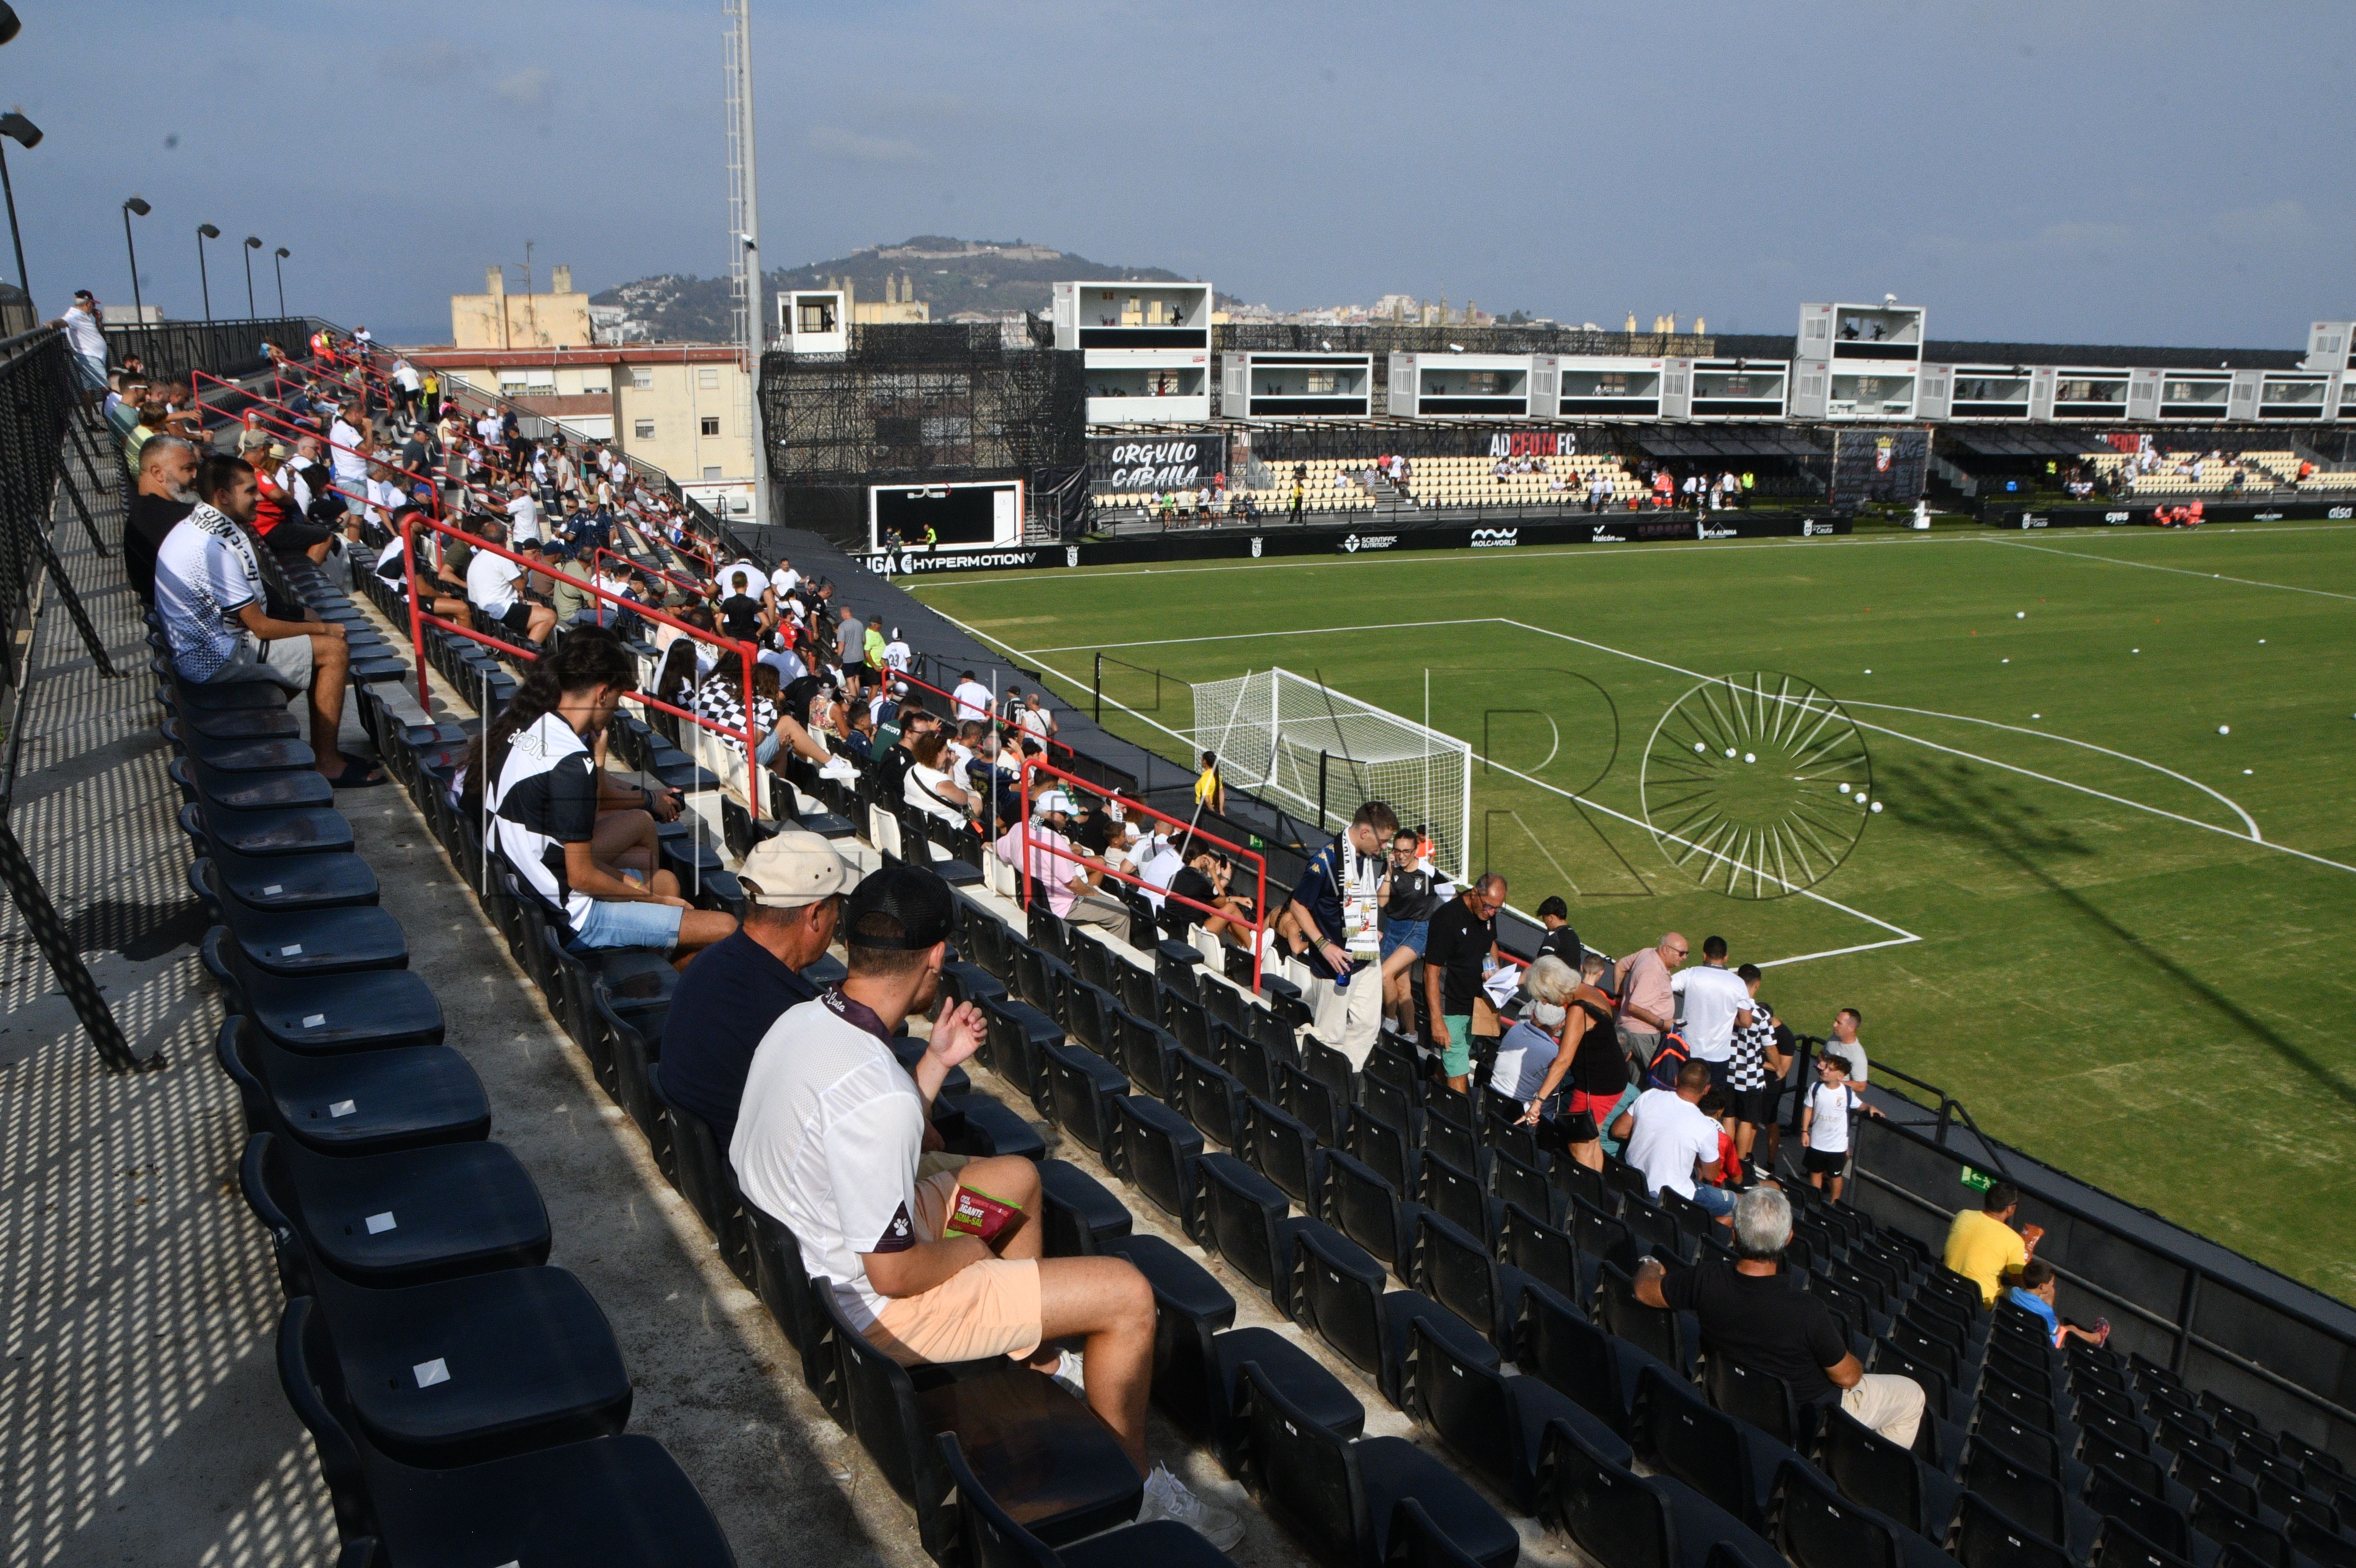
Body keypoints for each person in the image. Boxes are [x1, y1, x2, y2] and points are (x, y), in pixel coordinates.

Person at [728, 866, 1242, 1546]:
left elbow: (871, 1142)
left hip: (825, 1252)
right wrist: (972, 1251)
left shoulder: (802, 1021)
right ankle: (1136, 1490)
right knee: (1126, 1296)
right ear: (936, 956)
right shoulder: (877, 1095)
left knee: (1017, 1182)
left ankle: (1033, 1361)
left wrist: (936, 1063)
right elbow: (895, 1272)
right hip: (874, 1308)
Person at [482, 629, 738, 960]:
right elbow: (582, 876)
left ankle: (658, 960)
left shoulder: (524, 730)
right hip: (571, 918)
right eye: (616, 701)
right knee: (726, 928)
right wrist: (653, 901)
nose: (616, 709)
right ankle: (670, 974)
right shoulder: (573, 764)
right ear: (602, 694)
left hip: (531, 893)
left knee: (664, 882)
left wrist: (639, 890)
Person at [1632, 1187, 1926, 1448]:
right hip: (1808, 1417)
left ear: (1734, 1234)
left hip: (1733, 1393)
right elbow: (1849, 1377)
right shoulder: (1808, 1311)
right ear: (1788, 1240)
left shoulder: (1706, 1280)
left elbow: (1644, 1291)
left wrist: (1651, 1263)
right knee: (1912, 1396)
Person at [152, 454, 379, 787]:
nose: (259, 497)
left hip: (205, 646)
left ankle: (266, 725)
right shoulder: (213, 548)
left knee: (307, 642)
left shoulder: (198, 527)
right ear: (223, 496)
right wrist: (324, 629)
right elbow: (261, 627)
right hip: (212, 657)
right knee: (332, 650)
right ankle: (327, 762)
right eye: (250, 491)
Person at [658, 831, 853, 1144]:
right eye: (836, 908)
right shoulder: (792, 1021)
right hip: (743, 1166)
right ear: (816, 915)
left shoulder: (707, 962)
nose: (837, 921)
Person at [1284, 800, 1400, 1071]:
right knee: (1330, 1036)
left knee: (1368, 1025)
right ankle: (1317, 1080)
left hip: (1366, 956)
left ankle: (1347, 1078)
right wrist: (1324, 945)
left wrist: (1367, 926)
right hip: (1336, 964)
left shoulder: (1365, 856)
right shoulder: (1325, 862)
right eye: (1383, 841)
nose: (1385, 848)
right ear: (1365, 833)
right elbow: (1298, 906)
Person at [1517, 952, 1622, 1170]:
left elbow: (1564, 1060)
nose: (1545, 1002)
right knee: (1591, 1141)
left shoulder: (1578, 1009)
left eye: (1545, 996)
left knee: (1579, 1147)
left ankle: (1588, 1188)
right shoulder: (1589, 992)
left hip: (1596, 1086)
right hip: (1610, 1079)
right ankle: (1597, 1185)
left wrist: (1538, 1102)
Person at [1612, 1058, 1733, 1218]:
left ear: (1676, 1080)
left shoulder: (1649, 1095)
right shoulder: (1706, 1127)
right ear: (1706, 1089)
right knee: (1736, 1203)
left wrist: (1653, 1136)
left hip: (1633, 1184)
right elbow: (1711, 1175)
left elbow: (1618, 1130)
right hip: (1673, 1197)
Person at [995, 790, 1128, 932]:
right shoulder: (1056, 842)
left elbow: (998, 849)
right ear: (1052, 815)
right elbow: (1073, 884)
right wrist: (1093, 893)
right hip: (1062, 906)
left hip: (1036, 902)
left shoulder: (1019, 828)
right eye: (1065, 814)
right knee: (1122, 912)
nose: (1067, 819)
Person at [1422, 874, 1508, 1093]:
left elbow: (1491, 942)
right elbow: (1431, 972)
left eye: (1497, 909)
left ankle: (1430, 1095)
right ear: (1474, 893)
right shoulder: (1447, 918)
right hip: (1449, 1007)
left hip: (1475, 1005)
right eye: (1489, 906)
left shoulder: (1488, 913)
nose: (1492, 913)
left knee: (1453, 1061)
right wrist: (1437, 1020)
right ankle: (1460, 1114)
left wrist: (1495, 971)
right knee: (1459, 1068)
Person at [1374, 829, 1441, 1035]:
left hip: (1416, 930)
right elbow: (1382, 902)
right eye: (1398, 851)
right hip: (1393, 928)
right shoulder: (1389, 867)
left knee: (1385, 973)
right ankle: (1412, 1034)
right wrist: (1389, 872)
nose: (1402, 856)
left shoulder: (1428, 872)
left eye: (1407, 851)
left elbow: (1452, 898)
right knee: (1403, 988)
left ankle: (1391, 1020)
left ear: (1415, 851)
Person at [1671, 935, 1754, 1097]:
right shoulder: (1738, 983)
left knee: (1683, 1096)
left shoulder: (1690, 974)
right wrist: (1726, 1016)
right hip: (1718, 1057)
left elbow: (1662, 987)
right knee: (1712, 1103)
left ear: (1704, 955)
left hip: (1688, 1051)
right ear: (1726, 957)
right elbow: (1746, 1021)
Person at [1724, 963, 1787, 1173]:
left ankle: (1726, 1158)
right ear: (1757, 985)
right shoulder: (1761, 1015)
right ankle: (1739, 1164)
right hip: (1750, 1075)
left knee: (1728, 1117)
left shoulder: (1728, 1007)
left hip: (1727, 1069)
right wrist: (1779, 1068)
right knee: (1746, 1120)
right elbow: (1770, 1047)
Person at [125, 435, 200, 606]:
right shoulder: (184, 520)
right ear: (158, 473)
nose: (195, 475)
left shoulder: (140, 513)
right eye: (188, 468)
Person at [1942, 1181, 2039, 1307]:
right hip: (1978, 1305)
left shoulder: (1963, 1215)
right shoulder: (2014, 1240)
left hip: (1943, 1287)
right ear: (2010, 1209)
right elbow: (2019, 1282)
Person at [1798, 1052, 1880, 1200]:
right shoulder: (1815, 1088)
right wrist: (1805, 1131)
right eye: (1826, 1067)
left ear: (1841, 1076)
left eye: (1830, 1069)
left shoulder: (1846, 1092)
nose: (1825, 1071)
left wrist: (1870, 1107)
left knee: (1835, 1176)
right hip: (1817, 1142)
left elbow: (1860, 1105)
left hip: (1837, 1147)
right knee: (1816, 1173)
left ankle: (1833, 1204)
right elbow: (1808, 1109)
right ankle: (1815, 1201)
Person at [465, 519, 557, 647]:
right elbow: (521, 586)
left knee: (535, 603)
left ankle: (523, 646)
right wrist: (525, 571)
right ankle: (527, 652)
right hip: (499, 612)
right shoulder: (502, 557)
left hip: (483, 611)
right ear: (505, 540)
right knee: (550, 616)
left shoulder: (478, 558)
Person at [1613, 933, 1686, 1075]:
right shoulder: (1653, 971)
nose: (1684, 957)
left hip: (1631, 1031)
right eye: (1681, 953)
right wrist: (1662, 1024)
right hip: (1644, 1036)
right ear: (1666, 949)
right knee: (1658, 1076)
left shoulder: (1647, 953)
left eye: (1686, 954)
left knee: (1637, 1078)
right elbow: (1635, 1006)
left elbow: (1620, 966)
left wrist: (1618, 997)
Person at [1161, 841, 1255, 948]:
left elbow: (1210, 896)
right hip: (1192, 935)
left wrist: (1237, 899)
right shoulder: (1200, 881)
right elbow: (1221, 902)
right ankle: (1252, 947)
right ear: (1203, 858)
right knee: (1231, 908)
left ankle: (1244, 947)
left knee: (1225, 914)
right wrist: (1216, 874)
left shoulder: (1177, 876)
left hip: (1175, 930)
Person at [2005, 1259, 2109, 1350]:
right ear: (2042, 1287)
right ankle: (2098, 1338)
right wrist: (2052, 1311)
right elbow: (2056, 1331)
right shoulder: (2045, 1310)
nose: (2053, 1285)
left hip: (2017, 1330)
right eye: (2052, 1283)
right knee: (2071, 1330)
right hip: (2040, 1343)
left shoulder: (2014, 1292)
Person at [54, 291, 109, 397]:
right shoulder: (75, 315)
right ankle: (114, 407)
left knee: (88, 387)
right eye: (93, 304)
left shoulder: (83, 317)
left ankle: (90, 409)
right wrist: (51, 324)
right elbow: (64, 322)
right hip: (89, 356)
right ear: (88, 303)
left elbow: (100, 334)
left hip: (90, 356)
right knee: (105, 385)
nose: (94, 307)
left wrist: (99, 320)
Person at [1534, 896, 1582, 970]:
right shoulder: (1574, 937)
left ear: (1551, 918)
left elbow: (1541, 967)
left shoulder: (1554, 937)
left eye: (1544, 917)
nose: (1544, 921)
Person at [1826, 1006, 1869, 1084]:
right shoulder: (1834, 1038)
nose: (1834, 1025)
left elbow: (1861, 1086)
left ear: (1851, 1028)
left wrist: (1835, 1082)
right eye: (1836, 1021)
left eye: (1839, 1023)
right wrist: (1822, 1063)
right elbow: (1822, 1054)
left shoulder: (1858, 1055)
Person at [836, 608, 869, 693]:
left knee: (850, 680)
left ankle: (854, 699)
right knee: (856, 678)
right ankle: (858, 697)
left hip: (848, 658)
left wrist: (838, 657)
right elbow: (863, 640)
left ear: (844, 614)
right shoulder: (859, 624)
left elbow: (842, 644)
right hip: (860, 657)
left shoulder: (842, 626)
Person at [1193, 751, 1225, 817]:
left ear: (1205, 761)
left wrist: (1214, 814)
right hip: (1214, 806)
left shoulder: (1205, 777)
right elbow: (1221, 793)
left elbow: (1207, 800)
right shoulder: (1217, 775)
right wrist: (1221, 810)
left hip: (1203, 809)